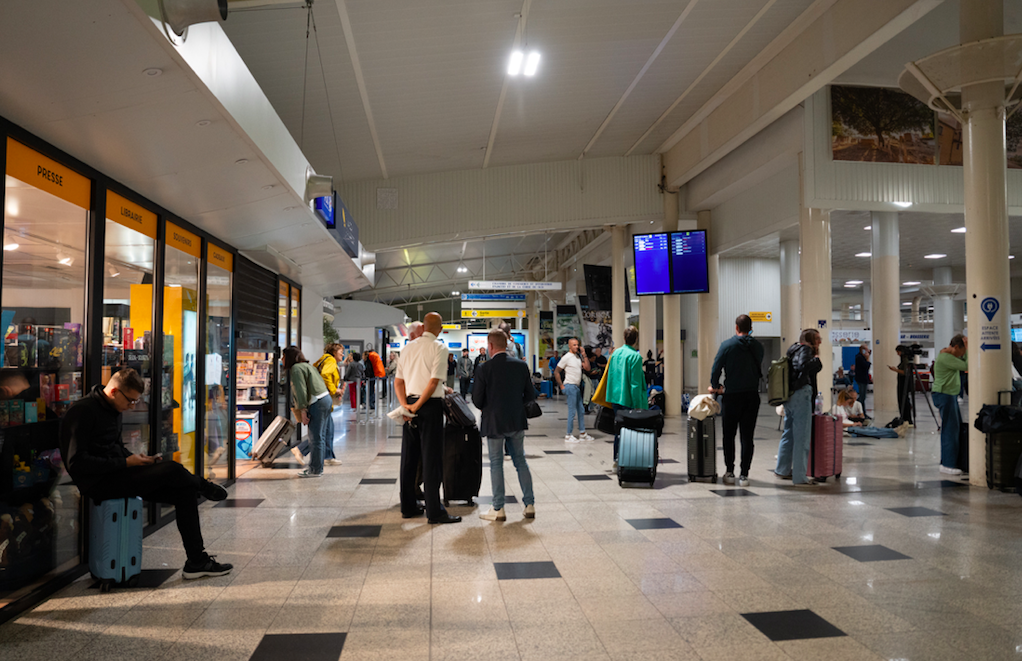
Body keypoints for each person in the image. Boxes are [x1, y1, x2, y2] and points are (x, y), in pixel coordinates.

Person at [59, 368, 232, 579]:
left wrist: (136, 460)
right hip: (98, 483)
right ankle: (203, 486)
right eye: (130, 401)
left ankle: (196, 561)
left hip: (118, 474)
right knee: (172, 468)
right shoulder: (82, 412)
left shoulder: (114, 410)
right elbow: (76, 463)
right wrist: (124, 462)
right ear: (114, 392)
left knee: (183, 491)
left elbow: (115, 448)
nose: (132, 406)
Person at [395, 312, 461, 524]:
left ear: (423, 327)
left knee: (409, 458)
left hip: (409, 406)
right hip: (430, 406)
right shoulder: (439, 347)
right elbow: (433, 383)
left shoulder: (407, 348)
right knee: (432, 460)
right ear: (440, 329)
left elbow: (398, 382)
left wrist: (406, 405)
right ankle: (435, 511)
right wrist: (418, 405)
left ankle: (408, 506)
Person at [473, 329, 537, 521]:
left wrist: (487, 406)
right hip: (516, 420)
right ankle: (530, 504)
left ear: (490, 346)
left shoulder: (484, 368)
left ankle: (498, 508)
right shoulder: (521, 365)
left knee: (496, 463)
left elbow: (477, 399)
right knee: (520, 461)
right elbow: (531, 395)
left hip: (494, 422)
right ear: (506, 344)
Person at [709, 314, 764, 487]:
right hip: (752, 396)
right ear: (751, 328)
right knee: (747, 437)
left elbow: (716, 369)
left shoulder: (727, 346)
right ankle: (745, 475)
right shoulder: (758, 347)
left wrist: (715, 385)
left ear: (736, 327)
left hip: (732, 396)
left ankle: (730, 471)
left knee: (729, 435)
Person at [774, 329, 823, 486]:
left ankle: (782, 469)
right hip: (802, 394)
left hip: (790, 395)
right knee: (802, 437)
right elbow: (803, 366)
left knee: (788, 433)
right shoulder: (806, 349)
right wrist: (817, 361)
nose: (820, 341)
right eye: (817, 338)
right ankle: (800, 477)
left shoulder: (792, 349)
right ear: (810, 340)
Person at [285, 346, 333, 478]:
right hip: (325, 399)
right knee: (320, 437)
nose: (282, 360)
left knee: (315, 437)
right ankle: (317, 468)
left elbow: (300, 391)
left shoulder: (296, 369)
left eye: (283, 357)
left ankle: (315, 469)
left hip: (316, 402)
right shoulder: (308, 366)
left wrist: (303, 411)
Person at [293, 344, 343, 466]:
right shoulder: (330, 360)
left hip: (319, 399)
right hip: (321, 399)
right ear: (334, 352)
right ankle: (300, 449)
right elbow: (325, 375)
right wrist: (334, 390)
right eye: (341, 352)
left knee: (328, 429)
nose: (343, 354)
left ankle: (328, 456)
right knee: (321, 431)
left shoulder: (323, 359)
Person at [605, 326, 647, 465]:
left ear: (624, 338)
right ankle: (628, 459)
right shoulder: (635, 356)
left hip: (615, 397)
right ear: (636, 340)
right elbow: (635, 384)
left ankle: (617, 459)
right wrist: (637, 406)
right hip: (629, 399)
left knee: (619, 429)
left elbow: (611, 376)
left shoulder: (615, 354)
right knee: (631, 431)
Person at [932, 334, 968, 475]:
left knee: (954, 428)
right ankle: (948, 464)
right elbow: (966, 365)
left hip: (948, 395)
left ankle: (951, 461)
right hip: (944, 395)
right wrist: (970, 349)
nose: (964, 354)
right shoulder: (946, 358)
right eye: (963, 350)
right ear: (957, 347)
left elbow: (964, 361)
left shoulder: (948, 355)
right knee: (950, 429)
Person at [553, 337, 592, 443]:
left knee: (581, 410)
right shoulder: (566, 357)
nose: (576, 346)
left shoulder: (578, 357)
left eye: (577, 344)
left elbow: (588, 368)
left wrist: (584, 354)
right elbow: (556, 371)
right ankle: (568, 434)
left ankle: (582, 433)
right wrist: (561, 386)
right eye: (574, 345)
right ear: (569, 346)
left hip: (577, 387)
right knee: (572, 411)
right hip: (570, 386)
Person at [887, 345, 914, 425]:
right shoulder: (904, 359)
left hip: (904, 383)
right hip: (902, 382)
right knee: (902, 400)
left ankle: (907, 419)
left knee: (903, 400)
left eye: (898, 352)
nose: (897, 354)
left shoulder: (905, 360)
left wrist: (895, 370)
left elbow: (905, 372)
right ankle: (904, 418)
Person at [364, 345, 385, 411]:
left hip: (370, 377)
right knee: (372, 390)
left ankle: (370, 403)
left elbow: (368, 369)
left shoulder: (369, 359)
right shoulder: (374, 356)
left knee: (370, 391)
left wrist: (366, 376)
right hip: (373, 376)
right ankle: (371, 403)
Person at [854, 343, 871, 412]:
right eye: (866, 349)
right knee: (862, 396)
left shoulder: (862, 356)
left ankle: (862, 411)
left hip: (864, 378)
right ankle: (861, 410)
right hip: (861, 379)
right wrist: (868, 358)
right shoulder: (859, 357)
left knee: (863, 396)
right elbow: (866, 366)